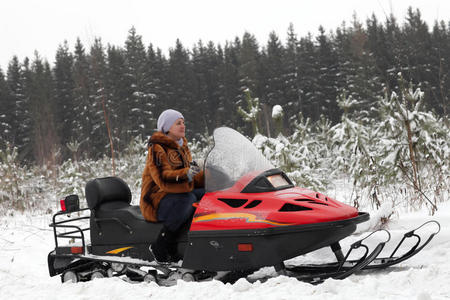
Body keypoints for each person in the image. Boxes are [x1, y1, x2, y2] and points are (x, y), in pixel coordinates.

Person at [140, 109, 205, 264]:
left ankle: (197, 240)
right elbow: (163, 178)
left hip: (177, 194)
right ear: (167, 127)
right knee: (187, 199)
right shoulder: (157, 148)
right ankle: (161, 244)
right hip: (157, 199)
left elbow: (191, 178)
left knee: (204, 194)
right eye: (178, 123)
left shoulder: (182, 146)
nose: (183, 126)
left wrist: (208, 175)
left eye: (183, 122)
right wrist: (189, 172)